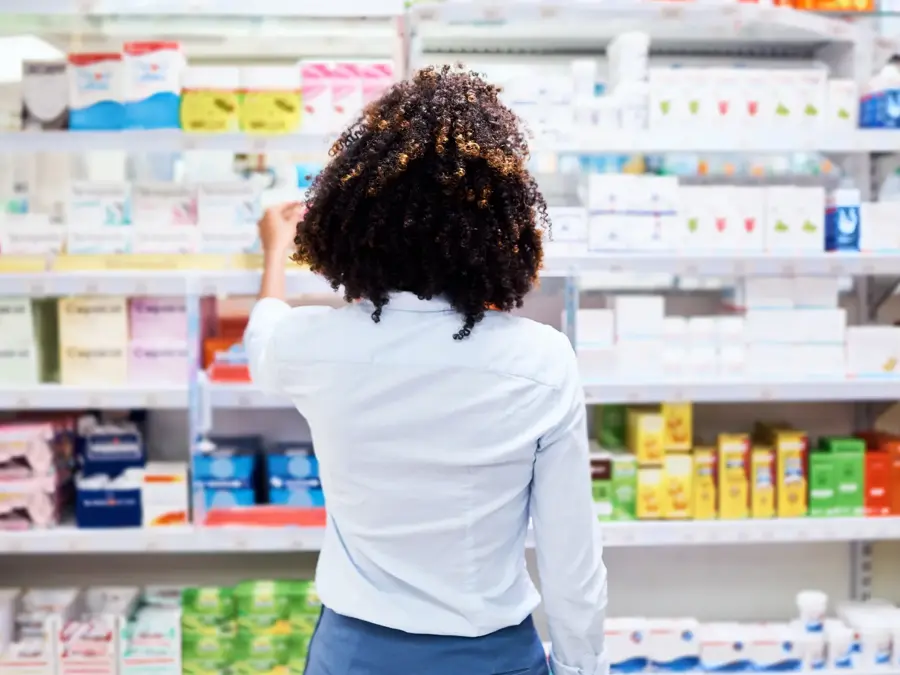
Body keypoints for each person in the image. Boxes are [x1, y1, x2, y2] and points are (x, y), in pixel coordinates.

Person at [245, 65, 607, 675]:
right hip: (494, 657)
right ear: (500, 228)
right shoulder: (541, 362)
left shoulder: (313, 346)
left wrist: (276, 250)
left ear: (353, 219)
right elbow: (572, 559)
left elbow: (263, 335)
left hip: (355, 655)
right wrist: (581, 668)